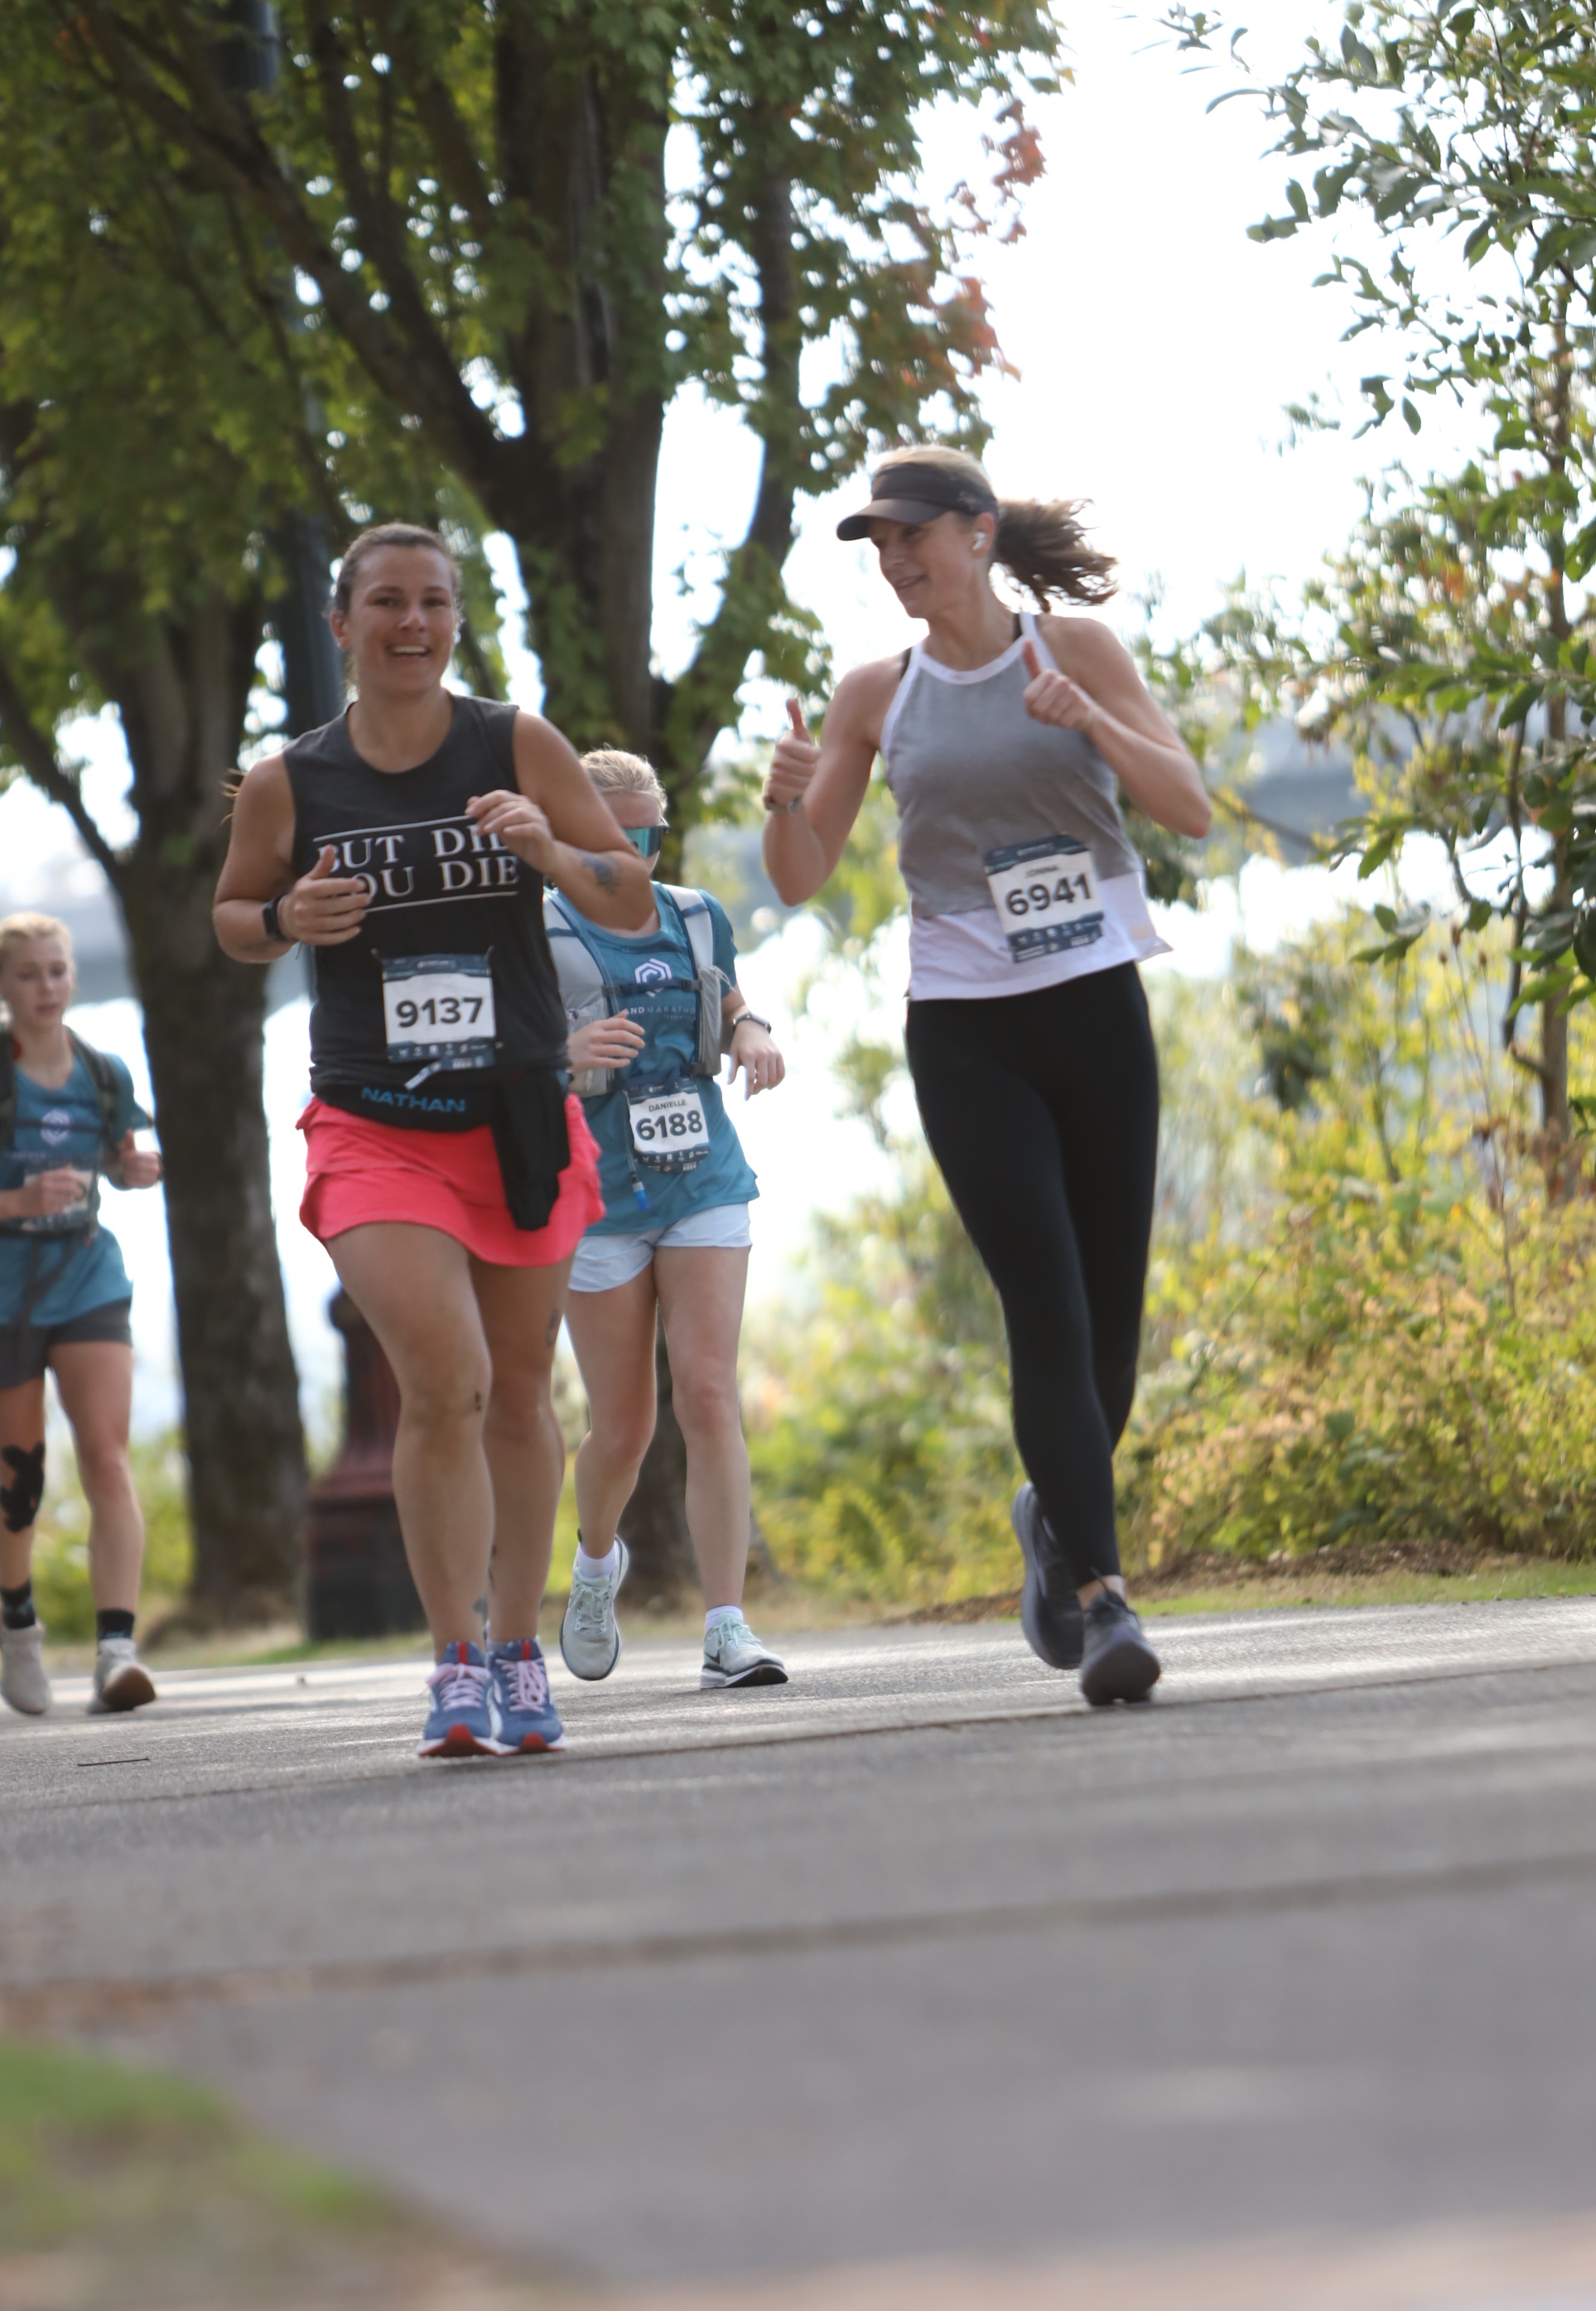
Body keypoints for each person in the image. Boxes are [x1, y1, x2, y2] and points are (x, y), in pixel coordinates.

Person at [761, 449, 1212, 1706]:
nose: (895, 561)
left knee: (1109, 1335)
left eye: (911, 535)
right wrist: (783, 801)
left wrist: (1092, 722)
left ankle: (1053, 1515)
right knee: (1045, 1308)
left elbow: (1189, 808)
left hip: (1095, 1007)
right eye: (878, 544)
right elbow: (798, 876)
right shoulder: (875, 693)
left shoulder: (1076, 651)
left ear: (977, 533)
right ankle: (1104, 1601)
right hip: (966, 1029)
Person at [213, 522, 653, 1759]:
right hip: (376, 1121)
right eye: (387, 603)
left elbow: (627, 892)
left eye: (435, 603)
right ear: (341, 623)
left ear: (457, 619)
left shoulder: (514, 742)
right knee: (445, 1376)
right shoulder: (289, 780)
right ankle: (454, 1661)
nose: (413, 624)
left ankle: (517, 1650)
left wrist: (548, 849)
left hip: (514, 1116)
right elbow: (232, 916)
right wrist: (286, 916)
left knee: (516, 1390)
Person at [548, 748, 790, 1690]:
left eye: (650, 834)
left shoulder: (696, 916)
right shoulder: (537, 929)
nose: (636, 853)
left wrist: (752, 1029)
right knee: (623, 1427)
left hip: (703, 1182)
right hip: (600, 1198)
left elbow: (727, 999)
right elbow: (501, 1059)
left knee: (708, 1394)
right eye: (614, 834)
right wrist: (563, 1053)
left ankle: (727, 1627)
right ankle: (594, 1565)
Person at [0, 913, 163, 1718]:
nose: (46, 987)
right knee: (22, 1481)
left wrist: (132, 1169)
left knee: (107, 1461)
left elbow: (119, 1157)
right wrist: (15, 1200)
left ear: (72, 976)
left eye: (57, 971)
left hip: (87, 1276)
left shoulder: (104, 1072)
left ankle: (117, 1652)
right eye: (27, 974)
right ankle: (18, 1626)